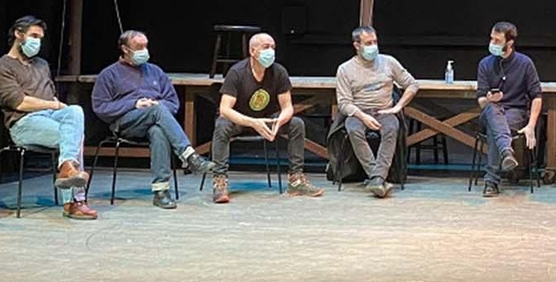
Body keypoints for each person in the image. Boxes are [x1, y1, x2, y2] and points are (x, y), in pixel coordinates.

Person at [90, 29, 216, 209]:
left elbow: (173, 102)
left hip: (154, 120)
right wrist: (134, 104)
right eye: (139, 47)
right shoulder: (109, 74)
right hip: (125, 123)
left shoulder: (155, 72)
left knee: (158, 130)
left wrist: (155, 105)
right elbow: (101, 108)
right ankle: (189, 155)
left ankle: (161, 191)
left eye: (146, 46)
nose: (144, 51)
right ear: (125, 49)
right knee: (156, 111)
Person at [0, 16, 95, 219]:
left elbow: (49, 94)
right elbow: (19, 103)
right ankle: (75, 201)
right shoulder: (1, 67)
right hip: (24, 123)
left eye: (40, 37)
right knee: (74, 136)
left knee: (75, 111)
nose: (37, 41)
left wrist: (55, 107)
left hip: (51, 118)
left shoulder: (42, 64)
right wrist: (54, 105)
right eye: (33, 36)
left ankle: (67, 169)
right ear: (18, 34)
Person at [210, 32, 317, 202]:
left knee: (296, 124)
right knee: (222, 125)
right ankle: (220, 181)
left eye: (273, 47)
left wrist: (280, 120)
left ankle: (295, 179)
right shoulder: (237, 72)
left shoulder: (279, 71)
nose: (271, 51)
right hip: (241, 119)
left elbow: (287, 107)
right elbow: (225, 109)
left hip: (268, 119)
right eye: (266, 47)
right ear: (253, 51)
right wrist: (253, 122)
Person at [332, 26, 418, 197]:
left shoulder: (388, 62)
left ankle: (377, 178)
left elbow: (412, 84)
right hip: (358, 111)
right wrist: (362, 116)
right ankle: (377, 177)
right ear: (357, 45)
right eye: (368, 43)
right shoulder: (345, 69)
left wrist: (397, 107)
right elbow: (344, 103)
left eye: (375, 42)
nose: (373, 46)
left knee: (391, 129)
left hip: (384, 110)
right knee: (354, 129)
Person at [475, 21, 544, 198]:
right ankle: (506, 150)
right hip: (490, 111)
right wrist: (489, 99)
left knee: (495, 129)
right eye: (491, 39)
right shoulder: (485, 64)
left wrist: (530, 125)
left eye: (497, 40)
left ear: (510, 43)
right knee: (492, 111)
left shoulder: (525, 63)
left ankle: (491, 182)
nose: (492, 43)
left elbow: (537, 96)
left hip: (515, 113)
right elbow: (481, 101)